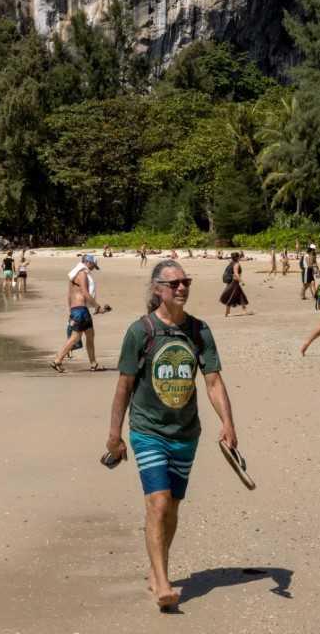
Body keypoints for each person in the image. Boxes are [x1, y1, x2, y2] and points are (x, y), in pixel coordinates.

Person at [106, 259, 239, 612]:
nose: (182, 288)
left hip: (186, 433)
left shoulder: (199, 331)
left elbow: (212, 381)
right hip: (148, 430)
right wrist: (114, 435)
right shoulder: (141, 331)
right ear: (157, 289)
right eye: (174, 283)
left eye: (186, 282)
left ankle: (157, 567)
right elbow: (124, 386)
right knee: (158, 503)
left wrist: (228, 423)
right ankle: (163, 584)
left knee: (173, 508)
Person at [50, 254, 109, 372]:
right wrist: (97, 307)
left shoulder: (73, 274)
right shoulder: (82, 274)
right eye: (93, 266)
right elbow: (85, 293)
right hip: (80, 310)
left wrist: (72, 310)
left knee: (90, 336)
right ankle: (57, 360)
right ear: (88, 262)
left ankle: (94, 364)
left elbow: (69, 295)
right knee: (75, 337)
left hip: (78, 309)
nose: (93, 269)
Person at [219, 251, 251, 316]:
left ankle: (244, 310)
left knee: (241, 296)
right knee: (232, 296)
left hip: (232, 282)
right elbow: (236, 273)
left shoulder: (231, 263)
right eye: (239, 256)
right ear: (237, 257)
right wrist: (241, 281)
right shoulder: (236, 264)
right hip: (234, 282)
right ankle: (227, 312)